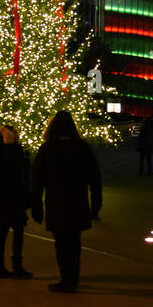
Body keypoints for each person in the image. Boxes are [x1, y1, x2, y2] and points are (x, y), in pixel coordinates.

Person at [31, 110, 102, 293]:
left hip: (56, 202)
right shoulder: (82, 147)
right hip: (77, 201)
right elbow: (94, 177)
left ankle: (66, 278)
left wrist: (36, 206)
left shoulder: (47, 149)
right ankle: (73, 277)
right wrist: (95, 204)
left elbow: (37, 180)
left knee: (61, 243)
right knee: (74, 242)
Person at [0, 123, 32, 278]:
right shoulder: (14, 151)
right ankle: (17, 266)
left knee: (2, 232)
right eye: (15, 132)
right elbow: (19, 176)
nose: (17, 135)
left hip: (1, 198)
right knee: (17, 231)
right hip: (14, 197)